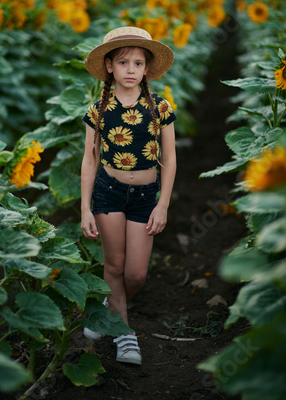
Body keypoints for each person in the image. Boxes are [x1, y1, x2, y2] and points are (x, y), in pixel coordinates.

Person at [81, 26, 177, 365]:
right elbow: (90, 158)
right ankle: (124, 335)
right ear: (109, 66)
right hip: (108, 192)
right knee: (115, 265)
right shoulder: (98, 110)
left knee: (135, 274)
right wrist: (84, 208)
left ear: (147, 68)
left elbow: (170, 158)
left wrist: (163, 204)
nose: (131, 69)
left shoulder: (160, 108)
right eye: (123, 62)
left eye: (138, 63)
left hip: (145, 196)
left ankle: (108, 309)